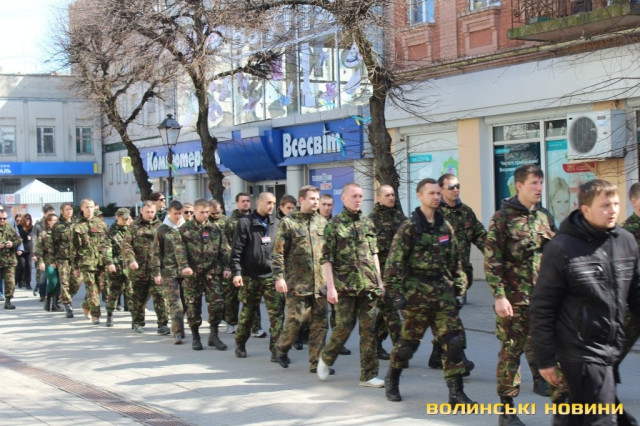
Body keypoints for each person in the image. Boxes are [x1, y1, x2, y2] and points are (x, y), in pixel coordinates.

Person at [531, 179, 640, 426]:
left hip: (610, 350)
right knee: (602, 420)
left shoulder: (626, 241)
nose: (612, 211)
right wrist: (545, 359)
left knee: (577, 418)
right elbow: (543, 307)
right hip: (580, 352)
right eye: (605, 206)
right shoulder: (562, 247)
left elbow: (636, 293)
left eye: (616, 204)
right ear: (585, 209)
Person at [383, 177, 473, 404]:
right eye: (431, 193)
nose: (435, 197)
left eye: (437, 193)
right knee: (408, 346)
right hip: (417, 296)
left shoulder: (445, 226)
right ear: (420, 196)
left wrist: (460, 289)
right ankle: (393, 377)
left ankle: (456, 393)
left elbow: (456, 261)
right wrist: (396, 294)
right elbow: (394, 263)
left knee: (452, 342)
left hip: (443, 294)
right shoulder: (409, 227)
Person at [484, 164, 556, 426]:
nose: (539, 188)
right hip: (514, 300)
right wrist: (499, 296)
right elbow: (492, 260)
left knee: (552, 348)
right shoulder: (502, 218)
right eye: (534, 183)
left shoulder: (544, 217)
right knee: (511, 354)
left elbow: (555, 254)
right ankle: (507, 411)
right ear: (519, 186)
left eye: (541, 183)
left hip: (543, 299)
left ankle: (561, 402)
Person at [316, 183, 384, 388]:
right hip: (345, 287)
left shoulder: (367, 223)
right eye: (354, 196)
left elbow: (374, 254)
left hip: (368, 285)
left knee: (369, 331)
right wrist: (331, 287)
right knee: (343, 328)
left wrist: (380, 281)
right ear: (343, 198)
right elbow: (326, 259)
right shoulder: (334, 225)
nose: (358, 199)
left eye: (360, 196)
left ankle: (368, 375)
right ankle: (326, 358)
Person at [428, 174, 484, 373]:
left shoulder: (466, 212)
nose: (455, 190)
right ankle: (459, 358)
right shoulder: (433, 213)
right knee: (451, 319)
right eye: (451, 187)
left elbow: (479, 235)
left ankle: (437, 354)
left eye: (457, 186)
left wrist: (497, 254)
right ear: (441, 189)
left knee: (448, 317)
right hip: (439, 277)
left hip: (460, 276)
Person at [273, 185, 329, 373]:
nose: (316, 202)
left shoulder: (322, 222)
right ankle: (282, 348)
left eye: (317, 199)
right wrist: (279, 277)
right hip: (297, 283)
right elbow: (278, 253)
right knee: (295, 321)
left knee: (320, 325)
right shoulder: (288, 223)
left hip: (320, 284)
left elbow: (328, 253)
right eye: (312, 198)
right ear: (302, 200)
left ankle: (316, 363)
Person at [231, 192, 284, 360]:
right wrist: (237, 273)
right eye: (268, 202)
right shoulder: (245, 223)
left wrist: (281, 275)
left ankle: (276, 349)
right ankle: (240, 343)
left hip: (270, 275)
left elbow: (281, 251)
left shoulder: (277, 223)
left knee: (277, 314)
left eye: (273, 203)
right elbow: (236, 250)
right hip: (250, 276)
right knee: (248, 314)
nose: (271, 206)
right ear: (259, 202)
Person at [177, 198, 231, 350]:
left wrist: (227, 267)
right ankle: (196, 336)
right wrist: (184, 266)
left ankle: (214, 335)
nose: (205, 215)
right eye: (202, 212)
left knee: (217, 304)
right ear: (195, 211)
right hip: (193, 274)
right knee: (193, 306)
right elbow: (180, 251)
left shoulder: (215, 228)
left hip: (212, 272)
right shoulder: (185, 229)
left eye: (207, 212)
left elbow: (224, 249)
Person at [368, 185, 405, 360]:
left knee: (385, 313)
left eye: (392, 195)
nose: (391, 198)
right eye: (387, 195)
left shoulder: (400, 218)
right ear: (378, 198)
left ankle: (374, 342)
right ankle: (401, 349)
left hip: (399, 275)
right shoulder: (371, 221)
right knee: (390, 311)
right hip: (380, 276)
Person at [125, 200, 168, 335]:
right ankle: (138, 322)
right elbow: (126, 246)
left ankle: (163, 324)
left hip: (156, 269)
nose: (150, 214)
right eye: (147, 212)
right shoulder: (133, 226)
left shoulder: (161, 227)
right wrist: (131, 260)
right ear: (141, 211)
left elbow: (166, 247)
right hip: (139, 269)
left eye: (152, 212)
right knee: (139, 297)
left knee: (160, 295)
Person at [224, 192, 263, 336]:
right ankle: (231, 322)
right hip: (235, 265)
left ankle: (256, 327)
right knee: (232, 297)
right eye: (243, 201)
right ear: (237, 203)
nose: (246, 203)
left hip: (251, 266)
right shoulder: (231, 222)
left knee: (253, 298)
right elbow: (227, 245)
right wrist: (230, 266)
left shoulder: (255, 219)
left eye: (247, 200)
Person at [317, 193, 351, 356]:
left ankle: (337, 343)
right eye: (323, 204)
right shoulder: (312, 223)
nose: (326, 208)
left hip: (335, 275)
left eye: (329, 205)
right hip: (316, 274)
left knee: (338, 313)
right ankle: (317, 344)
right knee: (318, 314)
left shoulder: (338, 223)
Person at [72, 199, 116, 324]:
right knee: (91, 288)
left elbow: (108, 242)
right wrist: (75, 267)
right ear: (82, 208)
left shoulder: (101, 224)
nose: (89, 209)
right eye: (86, 207)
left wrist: (109, 260)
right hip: (86, 262)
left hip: (101, 261)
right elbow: (74, 248)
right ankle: (95, 315)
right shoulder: (77, 226)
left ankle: (86, 305)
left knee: (100, 287)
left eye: (91, 207)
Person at [155, 200, 188, 344]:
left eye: (180, 213)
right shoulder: (162, 230)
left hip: (185, 272)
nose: (178, 216)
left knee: (185, 302)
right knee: (175, 303)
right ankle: (178, 332)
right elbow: (156, 252)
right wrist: (156, 272)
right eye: (175, 213)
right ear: (169, 213)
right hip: (169, 271)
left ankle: (178, 325)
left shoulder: (186, 228)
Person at [105, 208, 132, 327]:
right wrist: (110, 262)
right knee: (114, 291)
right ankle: (110, 315)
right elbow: (107, 248)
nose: (125, 221)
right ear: (117, 217)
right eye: (123, 218)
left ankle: (135, 318)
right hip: (116, 266)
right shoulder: (111, 231)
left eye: (127, 218)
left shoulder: (131, 230)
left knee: (131, 292)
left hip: (129, 266)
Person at [54, 202, 80, 318]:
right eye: (67, 209)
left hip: (76, 257)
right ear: (62, 211)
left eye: (70, 209)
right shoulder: (58, 226)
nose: (69, 211)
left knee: (77, 280)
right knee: (64, 282)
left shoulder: (77, 224)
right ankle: (68, 305)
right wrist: (52, 259)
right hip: (62, 258)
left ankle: (66, 296)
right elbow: (53, 243)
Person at [34, 213, 60, 312]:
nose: (55, 222)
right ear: (48, 222)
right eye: (53, 220)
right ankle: (48, 301)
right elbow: (39, 249)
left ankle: (55, 304)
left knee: (59, 283)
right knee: (53, 281)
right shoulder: (44, 234)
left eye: (57, 220)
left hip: (60, 261)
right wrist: (41, 262)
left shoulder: (60, 233)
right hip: (48, 261)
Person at [0, 209, 23, 309]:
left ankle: (8, 301)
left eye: (4, 218)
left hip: (9, 260)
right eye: (0, 218)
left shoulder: (10, 227)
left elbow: (19, 239)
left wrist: (12, 244)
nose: (2, 220)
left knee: (10, 282)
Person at [32, 204, 55, 298]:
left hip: (53, 254)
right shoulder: (38, 225)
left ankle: (54, 294)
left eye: (53, 213)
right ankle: (42, 294)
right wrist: (34, 253)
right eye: (50, 213)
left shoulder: (56, 223)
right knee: (42, 275)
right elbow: (34, 239)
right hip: (41, 253)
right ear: (44, 213)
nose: (52, 215)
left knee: (54, 276)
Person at [16, 213, 34, 291]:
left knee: (29, 267)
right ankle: (19, 280)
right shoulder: (19, 228)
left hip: (29, 250)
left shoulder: (32, 228)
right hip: (21, 250)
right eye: (26, 218)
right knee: (22, 265)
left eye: (29, 218)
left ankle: (28, 283)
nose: (28, 220)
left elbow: (35, 237)